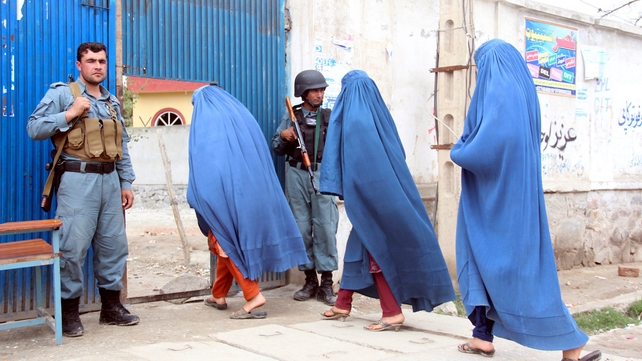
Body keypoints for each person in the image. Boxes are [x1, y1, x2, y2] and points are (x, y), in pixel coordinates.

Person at [450, 39, 601, 361]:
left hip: (496, 202)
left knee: (518, 273)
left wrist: (460, 150)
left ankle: (570, 341)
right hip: (508, 196)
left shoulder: (499, 94)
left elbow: (490, 144)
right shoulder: (521, 92)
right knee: (485, 266)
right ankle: (481, 336)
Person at [318, 70, 456, 331]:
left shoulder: (354, 120)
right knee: (358, 247)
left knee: (376, 250)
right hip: (390, 192)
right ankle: (342, 302)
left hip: (372, 197)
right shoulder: (379, 114)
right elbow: (399, 152)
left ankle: (392, 312)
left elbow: (359, 165)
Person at [27, 42, 139, 337]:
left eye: (102, 61)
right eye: (91, 61)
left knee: (113, 247)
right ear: (79, 65)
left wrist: (126, 182)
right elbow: (34, 128)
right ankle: (70, 314)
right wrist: (69, 114)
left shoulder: (112, 102)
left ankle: (111, 308)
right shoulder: (63, 94)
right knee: (72, 248)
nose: (98, 66)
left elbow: (122, 146)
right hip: (78, 181)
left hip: (110, 181)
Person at [188, 85, 309, 319]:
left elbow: (207, 171)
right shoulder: (242, 119)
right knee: (225, 243)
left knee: (224, 241)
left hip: (227, 197)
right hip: (255, 193)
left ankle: (253, 296)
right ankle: (218, 294)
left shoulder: (206, 129)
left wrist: (198, 197)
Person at [271, 70, 339, 306]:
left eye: (322, 90)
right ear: (303, 93)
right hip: (297, 174)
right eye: (315, 90)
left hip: (323, 174)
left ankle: (327, 282)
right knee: (300, 228)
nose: (320, 94)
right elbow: (276, 148)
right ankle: (310, 280)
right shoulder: (292, 117)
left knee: (326, 229)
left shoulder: (330, 117)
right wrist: (284, 135)